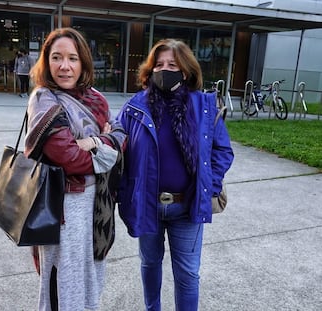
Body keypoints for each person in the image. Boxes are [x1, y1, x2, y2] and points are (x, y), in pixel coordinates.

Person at [116, 38, 234, 311]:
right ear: (150, 69)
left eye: (172, 64)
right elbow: (118, 144)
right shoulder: (136, 106)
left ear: (186, 71)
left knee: (188, 274)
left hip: (187, 206)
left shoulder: (203, 106)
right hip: (148, 204)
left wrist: (209, 185)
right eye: (158, 64)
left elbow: (222, 151)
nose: (164, 70)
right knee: (149, 263)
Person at [23, 27, 127, 311]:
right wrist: (107, 146)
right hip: (62, 208)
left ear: (83, 63)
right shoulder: (45, 99)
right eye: (56, 58)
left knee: (91, 280)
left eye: (72, 58)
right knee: (62, 286)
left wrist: (95, 141)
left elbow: (121, 137)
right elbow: (68, 156)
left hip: (96, 208)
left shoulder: (95, 98)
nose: (64, 66)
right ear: (47, 61)